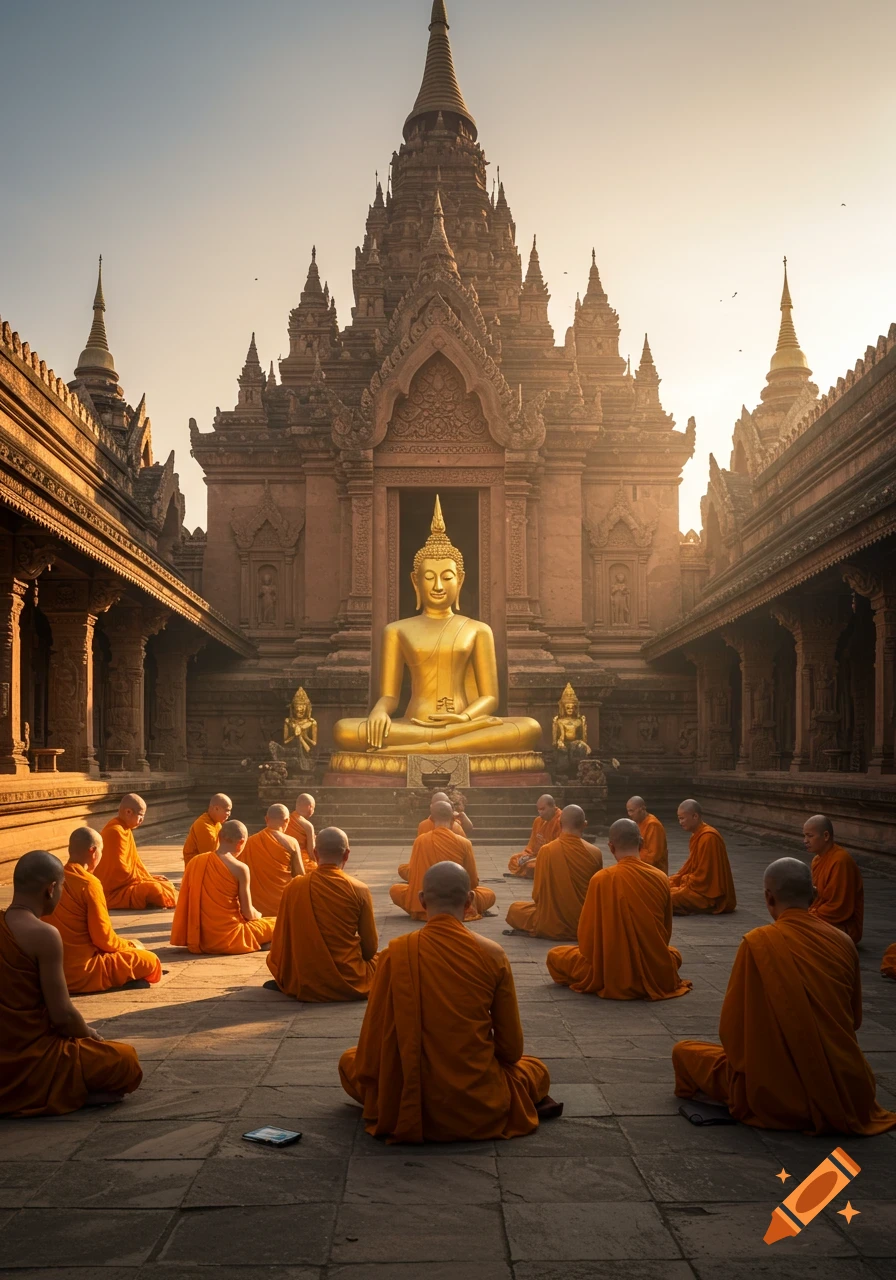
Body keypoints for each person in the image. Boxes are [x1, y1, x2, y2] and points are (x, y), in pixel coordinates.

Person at [672, 858, 896, 1135]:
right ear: (814, 895)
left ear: (768, 897)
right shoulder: (843, 942)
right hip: (849, 1087)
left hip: (776, 1093)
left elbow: (733, 1032)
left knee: (684, 1053)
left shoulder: (758, 942)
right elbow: (854, 1019)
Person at [339, 860, 556, 1142]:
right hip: (478, 1102)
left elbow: (371, 1052)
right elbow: (511, 1050)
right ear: (469, 901)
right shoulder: (493, 954)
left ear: (421, 900)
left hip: (406, 1097)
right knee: (535, 1070)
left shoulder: (396, 954)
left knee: (349, 1061)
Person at [1, 850, 143, 1116]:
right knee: (125, 1061)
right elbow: (63, 1016)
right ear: (51, 889)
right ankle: (65, 1092)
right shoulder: (44, 935)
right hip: (33, 1059)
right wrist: (90, 1035)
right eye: (63, 886)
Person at [547, 818, 691, 1001]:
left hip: (610, 969)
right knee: (674, 954)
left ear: (611, 846)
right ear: (641, 843)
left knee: (555, 956)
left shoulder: (601, 879)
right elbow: (665, 931)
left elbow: (586, 939)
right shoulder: (660, 877)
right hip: (653, 968)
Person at [265, 827, 378, 1001]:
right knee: (388, 958)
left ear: (316, 854)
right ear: (347, 855)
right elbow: (370, 950)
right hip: (349, 979)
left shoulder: (293, 887)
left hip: (303, 979)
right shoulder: (359, 889)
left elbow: (281, 942)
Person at [50, 827, 162, 993]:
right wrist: (130, 945)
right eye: (102, 851)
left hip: (51, 973)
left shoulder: (54, 881)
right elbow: (104, 940)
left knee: (135, 946)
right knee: (150, 960)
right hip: (84, 972)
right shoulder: (89, 884)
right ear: (93, 851)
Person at [170, 820, 276, 955]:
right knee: (279, 923)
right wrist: (260, 916)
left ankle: (259, 941)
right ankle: (258, 941)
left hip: (200, 940)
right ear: (241, 843)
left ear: (219, 838)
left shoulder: (196, 862)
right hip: (230, 939)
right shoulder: (240, 868)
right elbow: (248, 913)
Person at [505, 805, 603, 940]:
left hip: (550, 922)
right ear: (584, 824)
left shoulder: (547, 851)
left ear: (560, 824)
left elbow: (537, 894)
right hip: (584, 922)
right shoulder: (595, 853)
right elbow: (596, 894)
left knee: (515, 910)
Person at [390, 801, 495, 922]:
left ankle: (422, 907)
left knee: (395, 890)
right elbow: (472, 882)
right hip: (456, 904)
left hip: (426, 905)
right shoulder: (464, 842)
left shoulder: (420, 840)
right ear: (453, 816)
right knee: (489, 894)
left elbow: (413, 875)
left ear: (431, 817)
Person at [96, 794, 177, 909]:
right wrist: (142, 879)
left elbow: (134, 864)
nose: (142, 820)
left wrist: (148, 876)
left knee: (164, 883)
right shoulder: (115, 831)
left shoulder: (125, 829)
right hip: (113, 891)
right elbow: (121, 871)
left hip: (127, 883)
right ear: (128, 812)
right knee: (154, 889)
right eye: (140, 816)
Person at [803, 815, 863, 943]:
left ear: (826, 836)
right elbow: (817, 897)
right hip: (821, 917)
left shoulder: (841, 861)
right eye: (804, 836)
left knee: (799, 930)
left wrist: (810, 916)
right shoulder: (817, 860)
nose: (805, 840)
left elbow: (838, 907)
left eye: (810, 836)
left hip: (843, 926)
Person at [669, 801, 736, 915]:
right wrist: (677, 879)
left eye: (682, 818)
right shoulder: (697, 835)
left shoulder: (708, 837)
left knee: (669, 897)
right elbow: (690, 866)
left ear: (695, 816)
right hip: (697, 887)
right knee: (666, 886)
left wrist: (685, 880)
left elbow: (704, 878)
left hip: (709, 895)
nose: (680, 822)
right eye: (679, 819)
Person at [239, 804, 304, 916]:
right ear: (287, 821)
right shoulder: (291, 843)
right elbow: (300, 875)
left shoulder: (250, 842)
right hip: (282, 907)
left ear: (266, 819)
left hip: (256, 909)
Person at [397, 791, 466, 880]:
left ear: (431, 809)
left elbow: (416, 860)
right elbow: (472, 879)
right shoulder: (461, 833)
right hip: (455, 879)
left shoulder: (421, 835)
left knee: (401, 872)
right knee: (486, 893)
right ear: (451, 810)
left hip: (427, 879)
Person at [505, 794, 562, 880]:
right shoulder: (538, 821)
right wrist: (526, 855)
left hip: (550, 858)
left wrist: (535, 859)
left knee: (531, 865)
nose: (540, 812)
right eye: (539, 809)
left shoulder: (560, 821)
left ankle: (530, 871)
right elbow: (532, 845)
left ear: (553, 806)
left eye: (543, 809)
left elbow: (558, 850)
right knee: (514, 860)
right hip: (535, 856)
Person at [183, 794, 233, 866]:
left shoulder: (217, 823)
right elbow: (210, 857)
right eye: (227, 810)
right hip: (197, 867)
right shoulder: (204, 826)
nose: (229, 814)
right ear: (216, 808)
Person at [625, 795, 669, 875]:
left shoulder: (653, 825)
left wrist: (631, 855)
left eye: (631, 811)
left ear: (642, 809)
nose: (629, 814)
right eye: (628, 811)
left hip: (653, 872)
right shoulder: (637, 823)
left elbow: (652, 857)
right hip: (639, 866)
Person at [287, 793, 318, 869]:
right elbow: (311, 852)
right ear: (310, 807)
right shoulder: (307, 825)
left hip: (285, 859)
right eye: (313, 808)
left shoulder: (285, 820)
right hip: (301, 861)